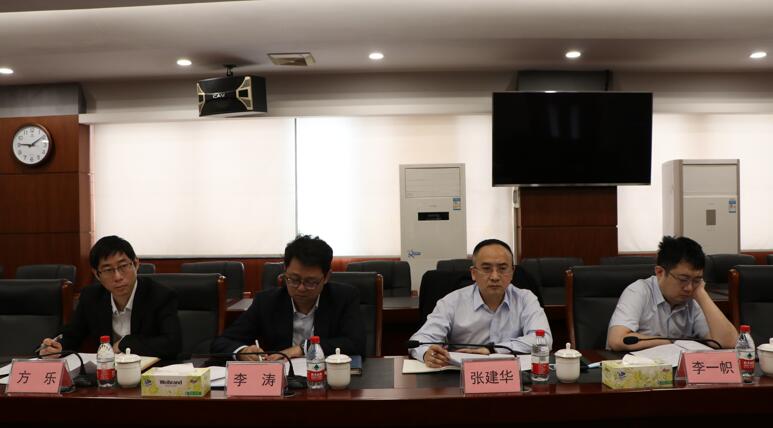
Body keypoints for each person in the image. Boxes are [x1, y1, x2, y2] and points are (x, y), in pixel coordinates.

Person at [211, 235, 366, 360]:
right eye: (294, 279)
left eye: (310, 282)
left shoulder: (344, 297)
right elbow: (221, 342)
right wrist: (242, 351)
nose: (301, 288)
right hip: (282, 383)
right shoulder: (267, 302)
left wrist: (303, 348)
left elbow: (356, 343)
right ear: (285, 271)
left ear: (326, 277)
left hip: (326, 381)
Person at [409, 239, 552, 368]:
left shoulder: (526, 299)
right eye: (486, 269)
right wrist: (427, 354)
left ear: (512, 272)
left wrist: (493, 349)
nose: (495, 277)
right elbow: (419, 340)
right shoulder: (452, 302)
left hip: (511, 376)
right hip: (462, 377)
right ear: (473, 273)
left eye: (502, 269)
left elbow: (543, 340)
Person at [39, 235, 182, 359]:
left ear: (136, 264)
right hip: (106, 375)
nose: (118, 277)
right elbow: (72, 334)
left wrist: (125, 343)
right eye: (108, 270)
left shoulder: (160, 296)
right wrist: (56, 347)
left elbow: (172, 344)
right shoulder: (91, 297)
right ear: (97, 274)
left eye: (123, 266)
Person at [607, 236, 737, 351]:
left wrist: (702, 294)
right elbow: (617, 339)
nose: (689, 288)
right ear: (660, 272)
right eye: (683, 279)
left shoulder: (695, 296)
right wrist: (670, 342)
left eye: (696, 280)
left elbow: (729, 343)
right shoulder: (639, 291)